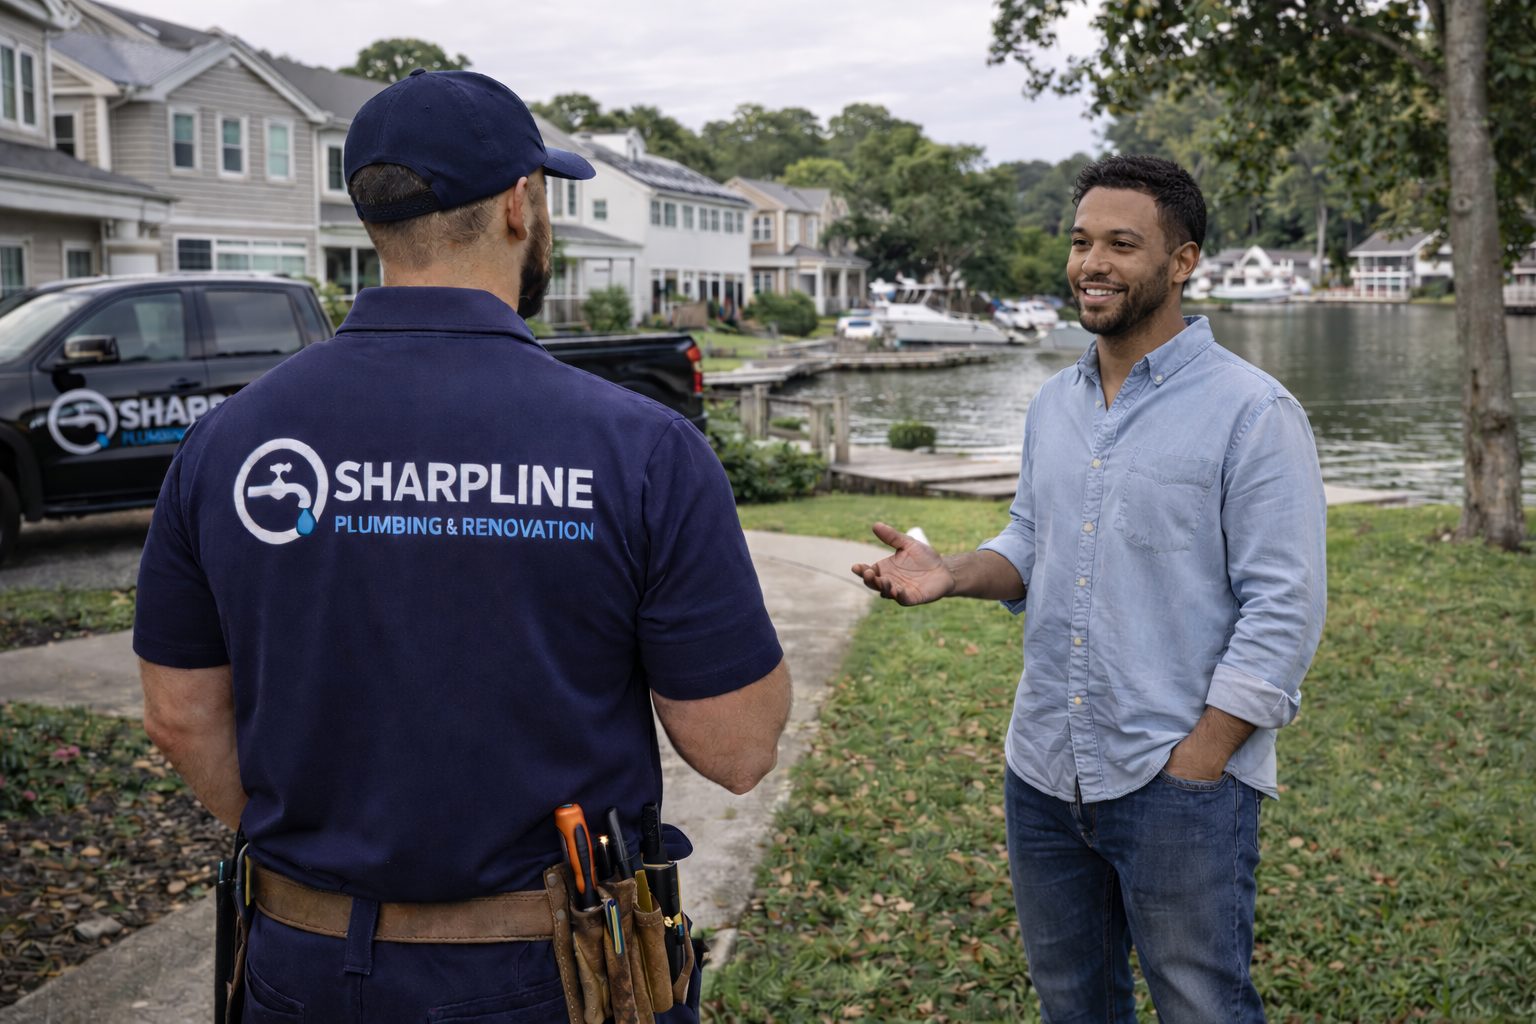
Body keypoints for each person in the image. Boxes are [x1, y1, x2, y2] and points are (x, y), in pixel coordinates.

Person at [133, 69, 791, 1022]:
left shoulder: (227, 443)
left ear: (375, 219)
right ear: (521, 204)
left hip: (298, 962)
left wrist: (333, 861)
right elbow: (737, 746)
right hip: (552, 974)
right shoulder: (642, 449)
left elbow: (180, 717)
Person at [852, 154, 1326, 1023]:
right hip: (1042, 769)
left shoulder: (1253, 412)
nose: (1091, 264)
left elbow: (1285, 609)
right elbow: (1032, 538)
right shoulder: (1053, 404)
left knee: (1203, 1007)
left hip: (1177, 780)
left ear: (1182, 262)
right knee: (1073, 1006)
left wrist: (1202, 759)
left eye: (1121, 244)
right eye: (1080, 242)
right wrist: (952, 574)